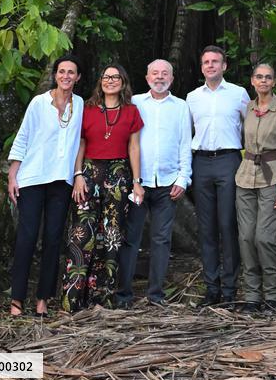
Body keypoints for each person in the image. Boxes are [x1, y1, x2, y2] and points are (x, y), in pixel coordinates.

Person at [62, 64, 143, 311]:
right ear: (100, 81)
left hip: (119, 176)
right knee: (81, 235)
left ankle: (100, 300)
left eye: (116, 77)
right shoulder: (86, 110)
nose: (110, 81)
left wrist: (137, 183)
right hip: (88, 173)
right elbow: (81, 144)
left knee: (111, 237)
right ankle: (72, 301)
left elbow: (134, 148)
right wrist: (77, 175)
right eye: (106, 77)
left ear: (123, 81)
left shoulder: (131, 111)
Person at [7, 54, 83, 318]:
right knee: (27, 239)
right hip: (32, 179)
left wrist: (78, 173)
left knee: (53, 240)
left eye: (71, 72)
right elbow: (23, 136)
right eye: (62, 72)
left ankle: (42, 300)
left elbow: (81, 143)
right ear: (55, 75)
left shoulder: (80, 104)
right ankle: (17, 299)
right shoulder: (39, 103)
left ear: (78, 77)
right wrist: (12, 175)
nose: (66, 76)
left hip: (61, 182)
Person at [116, 59, 192, 308]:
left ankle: (156, 294)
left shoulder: (181, 106)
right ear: (147, 78)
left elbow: (184, 143)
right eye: (155, 73)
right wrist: (130, 179)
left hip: (168, 183)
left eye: (165, 73)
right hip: (138, 182)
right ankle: (123, 294)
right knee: (131, 238)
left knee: (162, 240)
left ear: (172, 78)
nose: (160, 77)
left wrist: (183, 178)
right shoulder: (135, 102)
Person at [187, 45, 250, 307]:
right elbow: (186, 131)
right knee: (207, 228)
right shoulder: (192, 97)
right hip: (201, 162)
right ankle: (211, 288)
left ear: (224, 66)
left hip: (229, 160)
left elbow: (251, 129)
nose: (210, 65)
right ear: (201, 67)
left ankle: (230, 288)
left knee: (227, 224)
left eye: (215, 61)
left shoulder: (239, 93)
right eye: (206, 62)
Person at [235, 62, 276, 314]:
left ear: (274, 82)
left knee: (265, 238)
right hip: (245, 177)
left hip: (274, 177)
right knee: (246, 238)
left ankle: (272, 297)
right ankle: (251, 296)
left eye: (268, 78)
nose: (263, 81)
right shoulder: (248, 108)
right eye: (259, 77)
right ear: (252, 81)